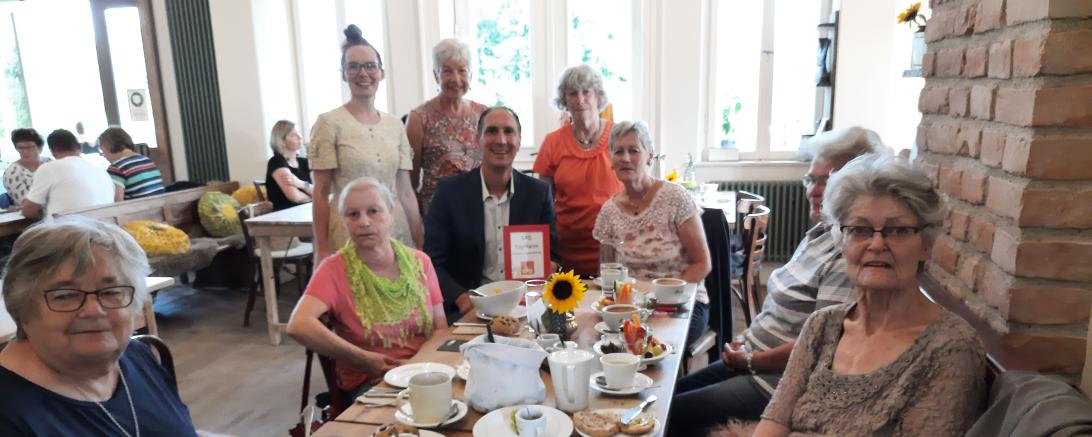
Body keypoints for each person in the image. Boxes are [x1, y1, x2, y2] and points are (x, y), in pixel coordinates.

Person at [668, 126, 889, 435]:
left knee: (670, 414)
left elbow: (823, 345)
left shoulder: (846, 254)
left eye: (827, 181)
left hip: (776, 382)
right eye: (811, 179)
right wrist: (749, 341)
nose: (813, 190)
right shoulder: (820, 234)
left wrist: (752, 360)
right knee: (665, 395)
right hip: (753, 361)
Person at [753, 154, 986, 436]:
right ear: (842, 242)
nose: (877, 244)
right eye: (860, 230)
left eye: (898, 230)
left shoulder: (949, 347)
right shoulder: (822, 325)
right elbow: (775, 420)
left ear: (926, 244)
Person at [0, 216, 198, 435]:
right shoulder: (9, 412)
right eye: (65, 295)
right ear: (22, 306)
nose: (93, 310)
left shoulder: (137, 355)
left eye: (111, 292)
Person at [286, 177, 447, 398]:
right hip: (371, 383)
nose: (364, 222)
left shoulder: (421, 262)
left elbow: (440, 328)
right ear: (344, 221)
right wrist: (363, 358)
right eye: (353, 214)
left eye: (373, 211)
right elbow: (298, 325)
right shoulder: (333, 270)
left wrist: (419, 366)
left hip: (425, 371)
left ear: (391, 214)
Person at [424, 106, 559, 321]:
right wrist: (460, 297)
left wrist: (547, 267)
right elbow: (432, 261)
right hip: (468, 310)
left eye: (509, 131)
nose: (501, 140)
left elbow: (555, 256)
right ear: (478, 139)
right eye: (491, 131)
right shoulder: (449, 193)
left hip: (523, 308)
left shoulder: (538, 193)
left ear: (519, 140)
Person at [309, 24, 424, 262]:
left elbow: (405, 189)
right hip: (349, 234)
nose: (363, 73)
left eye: (370, 66)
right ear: (343, 73)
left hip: (396, 233)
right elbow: (320, 193)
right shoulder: (328, 124)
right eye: (354, 67)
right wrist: (321, 247)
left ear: (381, 72)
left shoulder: (395, 126)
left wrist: (419, 236)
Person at [592, 120, 711, 347]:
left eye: (634, 150)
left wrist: (661, 298)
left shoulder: (675, 198)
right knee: (599, 342)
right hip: (632, 308)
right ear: (611, 160)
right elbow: (606, 272)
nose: (626, 158)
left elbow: (702, 264)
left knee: (648, 344)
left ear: (649, 156)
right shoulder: (609, 212)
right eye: (619, 151)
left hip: (681, 302)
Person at [532, 64, 622, 276]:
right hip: (567, 251)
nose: (580, 100)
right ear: (564, 101)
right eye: (572, 93)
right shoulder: (552, 142)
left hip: (614, 248)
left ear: (598, 97)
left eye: (586, 92)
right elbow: (541, 205)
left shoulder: (619, 136)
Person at [407, 38, 487, 215]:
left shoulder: (484, 114)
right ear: (436, 75)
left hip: (479, 209)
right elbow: (409, 182)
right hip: (437, 212)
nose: (455, 79)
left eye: (462, 71)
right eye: (447, 71)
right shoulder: (418, 118)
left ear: (471, 75)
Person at [22, 129, 117, 218]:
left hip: (70, 232)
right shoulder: (100, 170)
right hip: (105, 230)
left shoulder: (49, 168)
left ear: (53, 152)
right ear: (79, 147)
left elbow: (28, 211)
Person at [100, 127, 166, 200]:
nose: (104, 156)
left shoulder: (116, 168)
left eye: (103, 152)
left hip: (139, 210)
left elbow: (117, 204)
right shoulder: (147, 160)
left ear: (109, 147)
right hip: (158, 208)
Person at [265, 120, 312, 211]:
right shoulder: (276, 161)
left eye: (299, 133)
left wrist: (301, 183)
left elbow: (321, 193)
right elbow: (295, 197)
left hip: (307, 212)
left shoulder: (304, 162)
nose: (300, 137)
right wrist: (314, 196)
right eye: (294, 135)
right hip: (286, 216)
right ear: (282, 141)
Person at [3, 128, 52, 206]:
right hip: (35, 215)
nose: (25, 152)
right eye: (21, 148)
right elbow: (27, 204)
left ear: (39, 148)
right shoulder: (12, 172)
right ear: (16, 148)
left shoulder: (49, 163)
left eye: (30, 147)